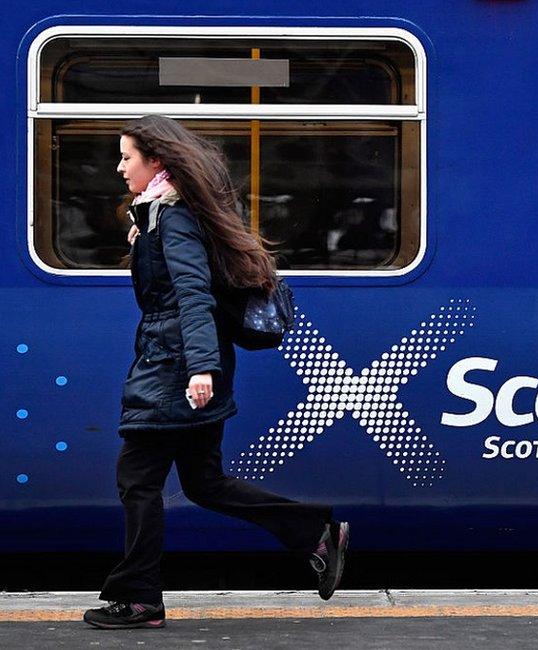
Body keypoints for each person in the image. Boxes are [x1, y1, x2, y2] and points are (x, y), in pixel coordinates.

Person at [84, 115, 349, 630]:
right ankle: (313, 532)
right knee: (205, 483)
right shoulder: (162, 215)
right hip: (181, 365)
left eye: (126, 157)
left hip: (175, 369)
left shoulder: (174, 218)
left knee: (136, 480)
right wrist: (142, 243)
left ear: (156, 161)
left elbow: (191, 296)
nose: (119, 168)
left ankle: (139, 599)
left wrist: (201, 368)